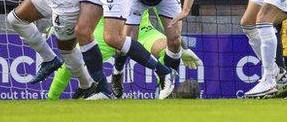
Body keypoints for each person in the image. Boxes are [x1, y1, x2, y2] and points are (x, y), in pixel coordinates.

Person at [47, 8, 201, 100]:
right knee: (72, 60)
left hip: (142, 30)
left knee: (165, 49)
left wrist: (179, 45)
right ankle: (51, 100)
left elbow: (163, 9)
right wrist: (61, 24)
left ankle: (166, 96)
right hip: (106, 29)